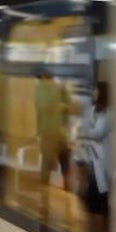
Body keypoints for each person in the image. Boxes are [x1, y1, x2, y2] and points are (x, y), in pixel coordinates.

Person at [35, 68, 76, 218]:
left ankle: (67, 206)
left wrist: (63, 106)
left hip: (60, 135)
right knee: (47, 170)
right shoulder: (41, 90)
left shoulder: (59, 88)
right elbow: (43, 108)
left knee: (65, 168)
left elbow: (72, 108)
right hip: (48, 134)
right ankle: (44, 204)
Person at [76, 81, 111, 232]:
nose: (94, 93)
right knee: (89, 201)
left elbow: (98, 132)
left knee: (97, 202)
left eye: (96, 90)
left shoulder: (110, 113)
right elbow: (84, 128)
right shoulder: (93, 111)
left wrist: (85, 133)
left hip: (102, 166)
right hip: (91, 161)